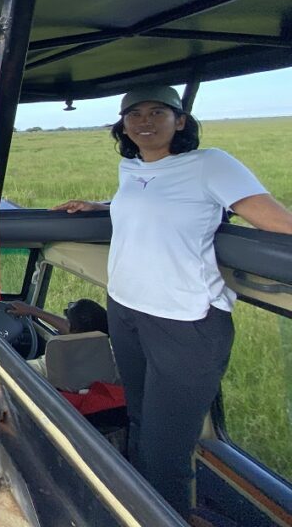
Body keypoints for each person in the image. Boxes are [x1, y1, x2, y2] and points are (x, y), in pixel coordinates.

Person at [55, 84, 292, 519]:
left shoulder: (210, 165)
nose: (145, 121)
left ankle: (165, 514)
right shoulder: (132, 168)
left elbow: (275, 220)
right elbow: (153, 206)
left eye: (158, 112)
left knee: (167, 450)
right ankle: (141, 507)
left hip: (186, 322)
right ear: (123, 126)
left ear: (180, 121)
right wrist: (99, 205)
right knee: (141, 422)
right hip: (126, 309)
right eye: (135, 114)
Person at [6, 298, 109, 378]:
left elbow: (11, 372)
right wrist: (32, 310)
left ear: (78, 333)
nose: (61, 326)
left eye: (67, 322)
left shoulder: (55, 363)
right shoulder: (109, 361)